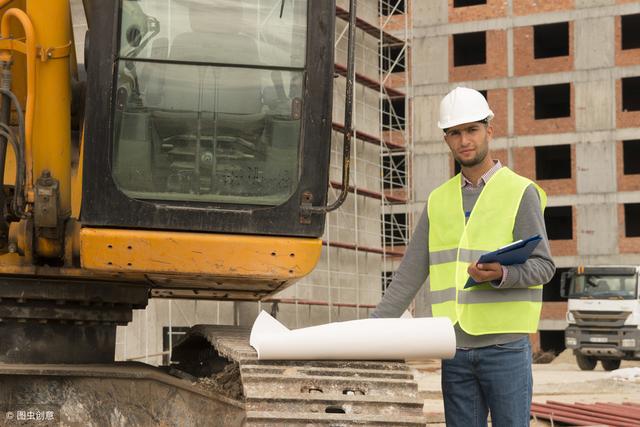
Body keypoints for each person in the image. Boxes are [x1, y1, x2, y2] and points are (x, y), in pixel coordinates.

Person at [372, 87, 555, 427]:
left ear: (490, 130)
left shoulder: (520, 192)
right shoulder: (439, 200)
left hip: (506, 348)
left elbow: (544, 266)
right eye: (455, 133)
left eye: (471, 129)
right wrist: (371, 331)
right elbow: (409, 274)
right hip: (454, 348)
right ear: (446, 139)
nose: (464, 140)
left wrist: (501, 274)